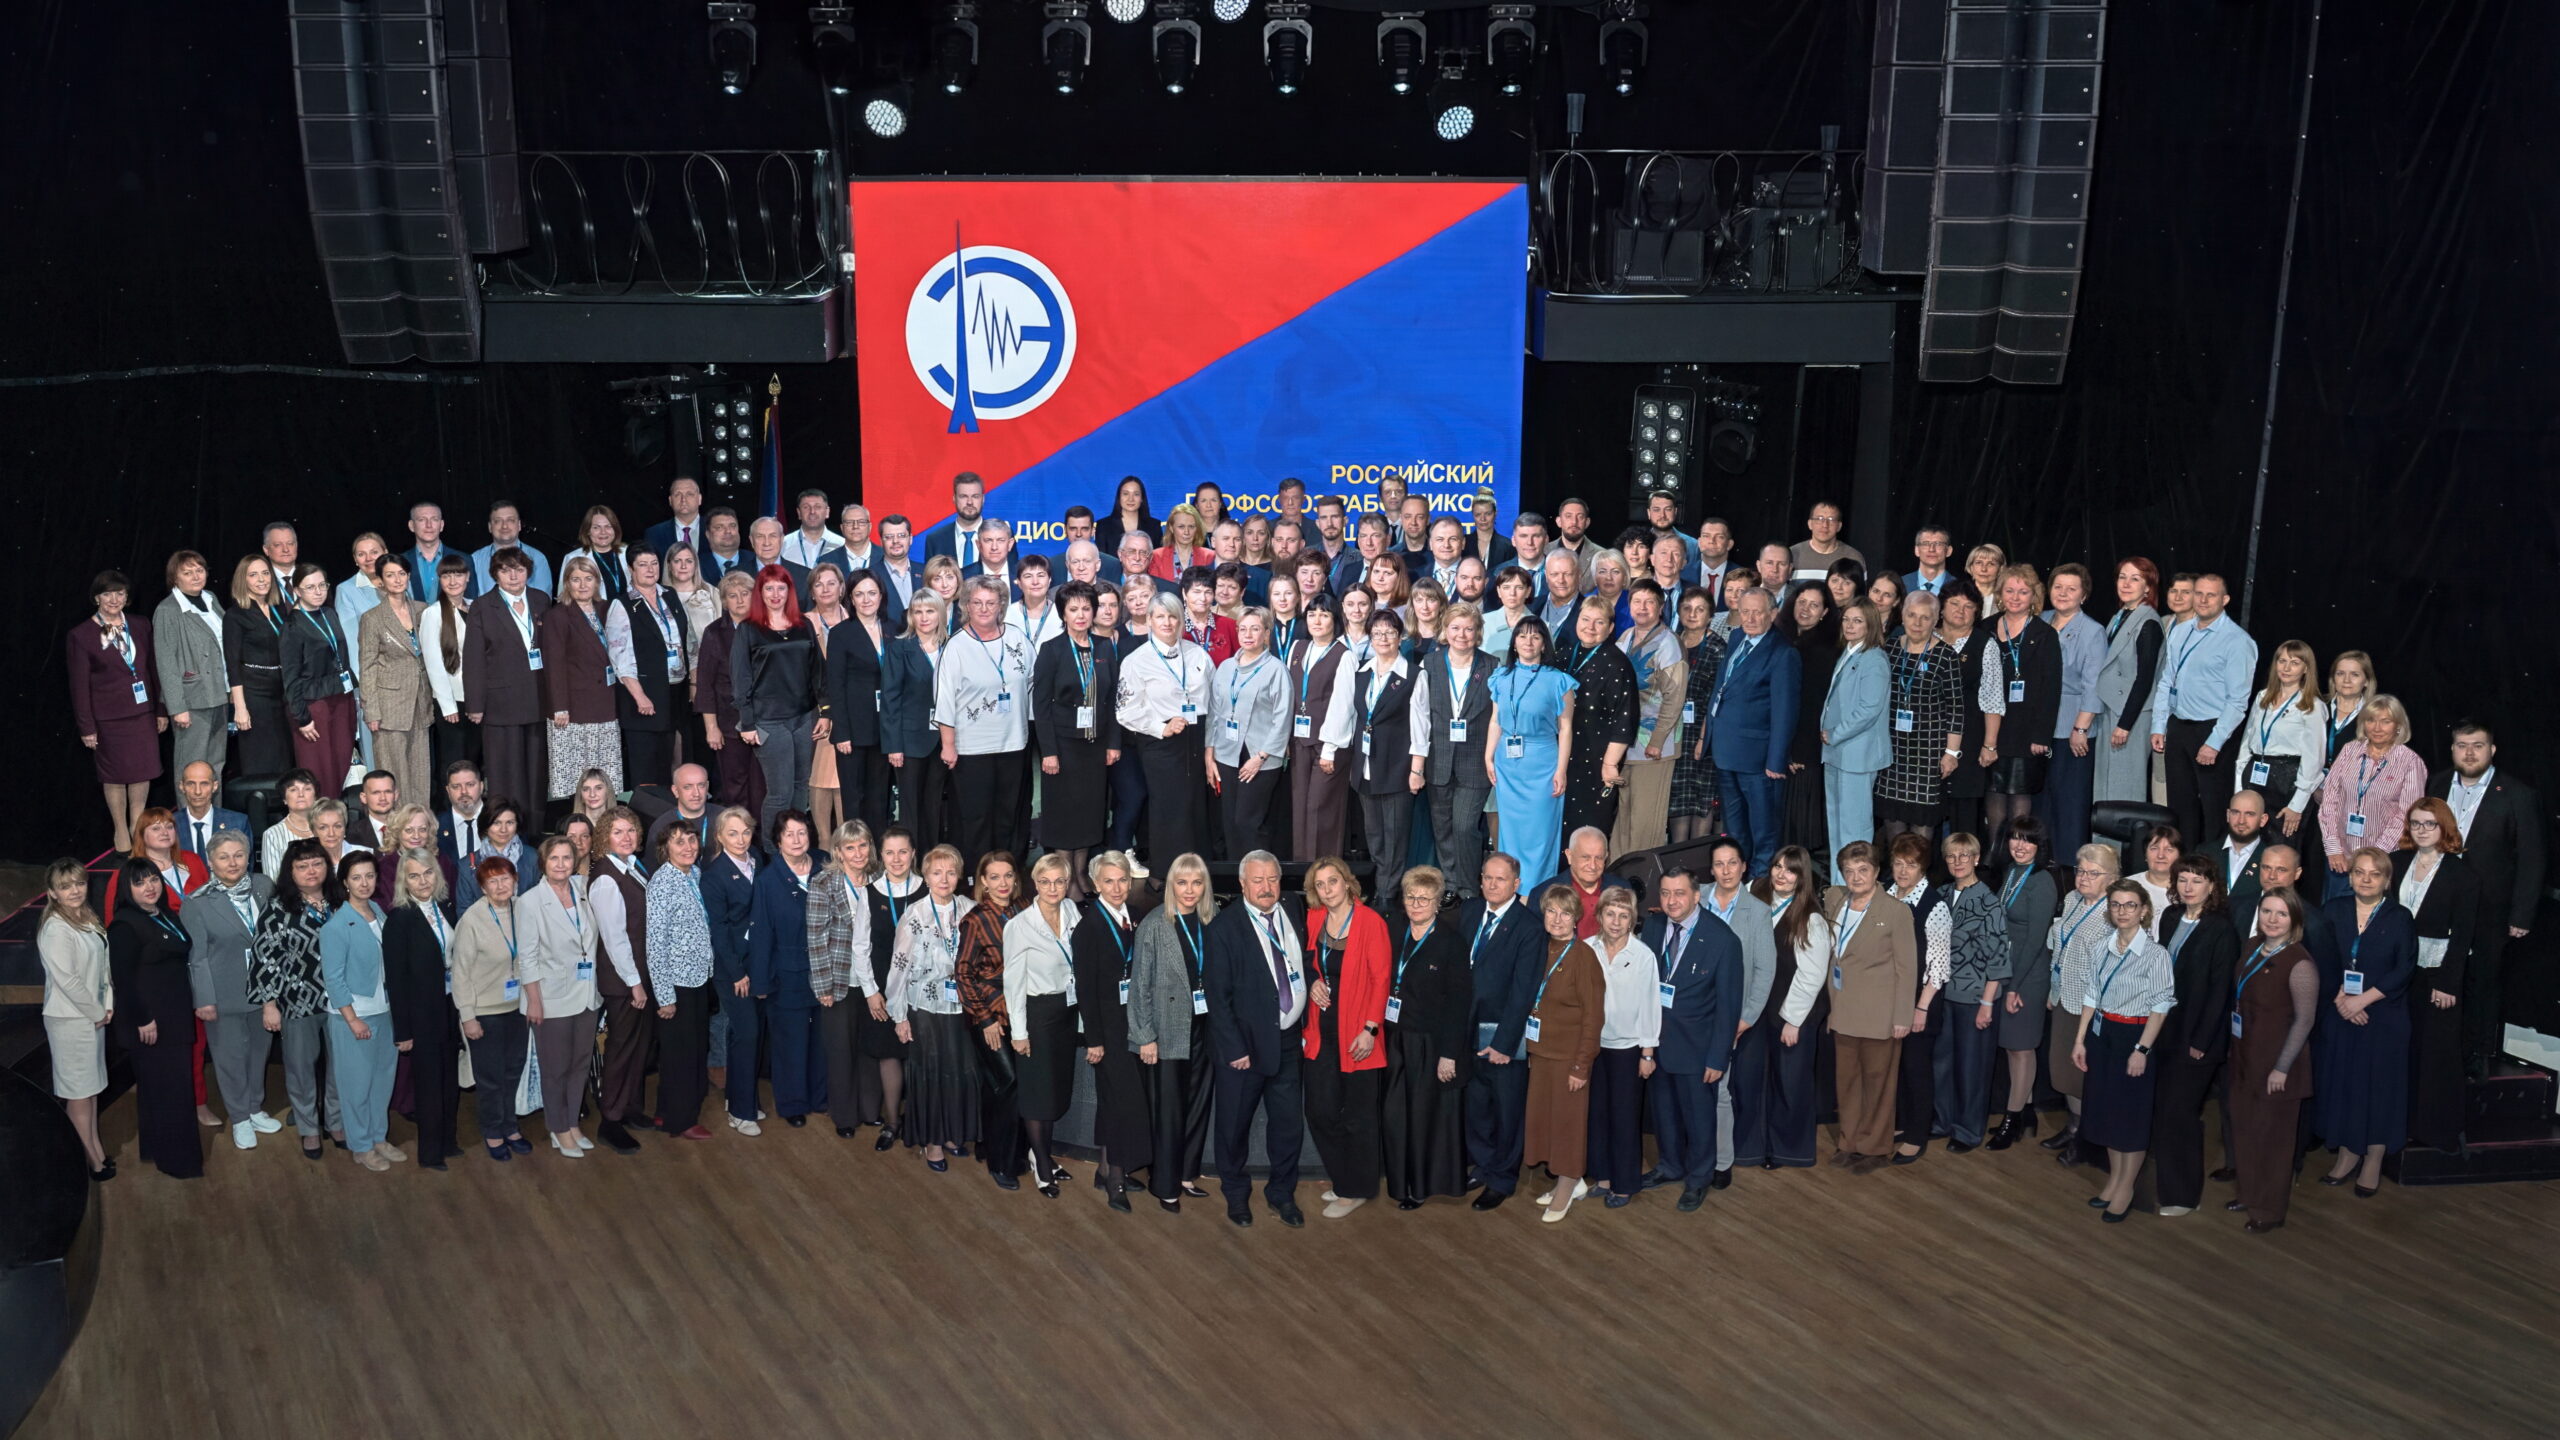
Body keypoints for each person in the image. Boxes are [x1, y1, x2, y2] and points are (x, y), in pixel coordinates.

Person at [1203, 850, 1311, 1228]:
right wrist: (1234, 1048)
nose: (1266, 887)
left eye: (1272, 879)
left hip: (1288, 1041)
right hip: (1244, 1049)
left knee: (1288, 1126)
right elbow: (1217, 997)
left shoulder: (1293, 908)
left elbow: (1300, 961)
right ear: (1242, 884)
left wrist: (1313, 985)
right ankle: (1236, 1193)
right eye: (1257, 880)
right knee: (1233, 1126)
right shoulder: (1223, 929)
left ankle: (1282, 1193)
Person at [2429, 720, 2542, 1076]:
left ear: (2492, 750)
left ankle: (2476, 1059)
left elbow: (2532, 859)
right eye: (2462, 745)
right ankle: (2438, 1055)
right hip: (2439, 902)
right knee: (2438, 977)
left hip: (2490, 908)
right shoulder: (2435, 784)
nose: (2469, 753)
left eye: (2477, 745)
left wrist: (2521, 915)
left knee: (2482, 982)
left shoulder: (2517, 794)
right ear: (2452, 749)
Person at [1638, 867, 1745, 1210]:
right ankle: (1670, 1166)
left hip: (1698, 1050)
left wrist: (1718, 1058)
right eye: (1665, 893)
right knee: (1664, 1113)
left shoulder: (1723, 940)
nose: (1671, 901)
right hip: (1657, 1043)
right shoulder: (1654, 927)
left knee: (1699, 1121)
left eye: (1679, 893)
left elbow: (1728, 1006)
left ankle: (1699, 1179)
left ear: (1697, 896)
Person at [2313, 847, 2417, 1195]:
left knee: (2379, 1088)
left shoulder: (2400, 917)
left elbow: (2404, 968)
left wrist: (2362, 999)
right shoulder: (2333, 909)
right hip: (2341, 1012)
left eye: (2375, 874)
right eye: (2359, 872)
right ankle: (2347, 1153)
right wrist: (2341, 998)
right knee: (2344, 1084)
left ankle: (2373, 1157)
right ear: (2350, 876)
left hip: (2384, 1016)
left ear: (2387, 880)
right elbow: (2320, 957)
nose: (2366, 880)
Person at [2074, 880, 2176, 1221]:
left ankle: (2127, 1187)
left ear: (2143, 910)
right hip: (2102, 1034)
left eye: (2130, 905)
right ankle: (2115, 1180)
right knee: (2106, 1112)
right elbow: (2091, 994)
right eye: (2116, 904)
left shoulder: (2156, 955)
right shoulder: (2102, 946)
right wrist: (2080, 1039)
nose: (2122, 911)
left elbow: (2160, 1006)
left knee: (2130, 1117)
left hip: (2134, 1036)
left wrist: (2142, 1050)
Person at [2149, 855, 2238, 1216]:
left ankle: (2184, 1195)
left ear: (2212, 886)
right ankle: (2163, 1184)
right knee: (2163, 1110)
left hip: (2198, 1038)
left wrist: (2201, 1041)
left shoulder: (2221, 930)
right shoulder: (2171, 916)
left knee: (2180, 1114)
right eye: (2183, 879)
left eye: (2197, 881)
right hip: (2165, 1030)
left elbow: (2220, 992)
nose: (2188, 887)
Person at [1129, 851, 1218, 1210]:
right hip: (1165, 1031)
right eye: (1182, 882)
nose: (1190, 890)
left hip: (1204, 1027)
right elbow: (1139, 986)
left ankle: (1185, 1174)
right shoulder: (1154, 924)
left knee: (1197, 1105)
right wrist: (1145, 1036)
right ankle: (1164, 1184)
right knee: (1169, 1112)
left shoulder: (1212, 919)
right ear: (1171, 886)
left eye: (1197, 882)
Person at [1378, 866, 1470, 1210]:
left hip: (1430, 1044)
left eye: (1424, 899)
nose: (1416, 904)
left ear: (1437, 902)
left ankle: (1419, 1187)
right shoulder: (1393, 930)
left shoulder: (1451, 942)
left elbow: (1459, 1003)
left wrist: (1449, 1054)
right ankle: (1398, 1182)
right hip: (1394, 1039)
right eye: (1411, 897)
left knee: (1421, 1118)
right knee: (1394, 1115)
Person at [2228, 890, 2320, 1234]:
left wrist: (2282, 1067)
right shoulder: (2253, 946)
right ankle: (2249, 1194)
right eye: (2267, 911)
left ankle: (2269, 1210)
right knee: (2245, 1130)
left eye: (2281, 913)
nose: (2272, 919)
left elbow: (2304, 1021)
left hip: (2278, 1063)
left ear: (2294, 919)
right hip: (2245, 1054)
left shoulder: (2300, 964)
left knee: (2273, 1140)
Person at [2146, 573, 2258, 848]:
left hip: (2212, 730)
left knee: (2214, 808)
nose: (2203, 600)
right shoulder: (2180, 631)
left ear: (2225, 599)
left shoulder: (2237, 641)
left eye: (2211, 595)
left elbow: (2237, 701)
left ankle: (2212, 866)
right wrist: (2159, 725)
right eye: (2199, 593)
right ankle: (2183, 865)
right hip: (2178, 726)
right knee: (2179, 806)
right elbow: (2167, 681)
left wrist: (2214, 742)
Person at [1323, 610, 1429, 900]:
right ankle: (1383, 887)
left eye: (1390, 632)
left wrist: (1417, 770)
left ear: (1400, 637)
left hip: (1398, 768)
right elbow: (1349, 715)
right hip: (1366, 767)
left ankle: (1387, 896)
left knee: (1395, 838)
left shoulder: (1413, 676)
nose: (1383, 638)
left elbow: (1421, 726)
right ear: (1370, 637)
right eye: (1377, 633)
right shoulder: (1361, 673)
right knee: (1374, 836)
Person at [107, 860, 203, 1179]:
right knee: (170, 1091)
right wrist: (143, 1019)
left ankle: (155, 1150)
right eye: (139, 882)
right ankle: (178, 1163)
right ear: (127, 889)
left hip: (174, 1014)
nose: (149, 887)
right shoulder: (124, 925)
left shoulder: (163, 913)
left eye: (153, 879)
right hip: (151, 1022)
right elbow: (123, 979)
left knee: (159, 1089)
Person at [885, 843, 978, 1172]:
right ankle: (933, 1141)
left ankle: (952, 1133)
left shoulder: (970, 909)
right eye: (937, 872)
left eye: (951, 872)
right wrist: (899, 1016)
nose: (944, 879)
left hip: (962, 1007)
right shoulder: (915, 914)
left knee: (959, 1072)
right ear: (925, 876)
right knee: (932, 1074)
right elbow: (899, 966)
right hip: (924, 1007)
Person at [1824, 841, 1916, 1174]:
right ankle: (1849, 1142)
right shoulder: (1834, 899)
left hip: (1881, 1016)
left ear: (1877, 872)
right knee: (1847, 1084)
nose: (1856, 877)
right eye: (1849, 871)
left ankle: (1875, 1148)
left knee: (1878, 1086)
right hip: (1843, 1011)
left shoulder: (1895, 911)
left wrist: (1903, 1017)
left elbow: (1907, 969)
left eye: (1863, 870)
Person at [1067, 851, 1150, 1210]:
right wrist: (1095, 1040)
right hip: (1107, 1031)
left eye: (1123, 880)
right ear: (1096, 884)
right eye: (1109, 881)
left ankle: (1105, 1169)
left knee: (1114, 1101)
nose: (1117, 888)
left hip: (1133, 1023)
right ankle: (1115, 1177)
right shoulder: (1088, 928)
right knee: (1120, 1103)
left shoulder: (1136, 916)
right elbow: (1085, 989)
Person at [1521, 882, 1607, 1223]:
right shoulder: (1538, 948)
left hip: (1569, 1058)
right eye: (1551, 911)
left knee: (1568, 1126)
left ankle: (1569, 1183)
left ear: (1576, 918)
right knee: (1547, 1123)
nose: (1557, 919)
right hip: (1541, 1053)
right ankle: (1568, 1181)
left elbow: (1593, 1017)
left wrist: (1581, 1065)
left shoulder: (1584, 957)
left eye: (1565, 913)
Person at [936, 579, 1034, 874]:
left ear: (1001, 605)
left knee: (1008, 814)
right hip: (971, 748)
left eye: (990, 603)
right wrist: (948, 745)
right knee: (976, 817)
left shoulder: (1016, 638)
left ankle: (1006, 874)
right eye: (977, 603)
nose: (983, 609)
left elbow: (1033, 681)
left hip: (1013, 743)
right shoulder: (956, 646)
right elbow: (944, 699)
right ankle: (977, 877)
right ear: (966, 606)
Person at [252, 840, 342, 1159]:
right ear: (290, 872)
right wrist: (269, 1004)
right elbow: (265, 958)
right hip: (296, 1001)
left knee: (340, 1067)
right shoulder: (278, 908)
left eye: (316, 863)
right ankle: (309, 1129)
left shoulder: (341, 900)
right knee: (301, 1070)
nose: (311, 871)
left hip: (341, 1001)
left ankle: (335, 1121)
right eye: (302, 866)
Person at [317, 852, 403, 1171]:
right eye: (356, 877)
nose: (364, 883)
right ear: (345, 882)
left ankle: (379, 1137)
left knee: (382, 1081)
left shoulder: (378, 912)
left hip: (385, 1009)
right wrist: (352, 1019)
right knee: (356, 1086)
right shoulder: (336, 925)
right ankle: (361, 1145)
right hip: (353, 1016)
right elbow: (333, 978)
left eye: (369, 876)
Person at [188, 832, 276, 1147]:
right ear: (211, 862)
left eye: (239, 855)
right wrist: (204, 1000)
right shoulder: (197, 902)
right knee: (230, 1060)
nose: (232, 862)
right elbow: (197, 958)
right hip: (223, 995)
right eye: (224, 857)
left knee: (258, 1054)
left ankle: (254, 1108)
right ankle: (239, 1118)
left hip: (264, 992)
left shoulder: (264, 886)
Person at [1000, 852, 1080, 1196]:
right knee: (1037, 1093)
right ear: (1034, 884)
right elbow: (1013, 984)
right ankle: (1042, 1164)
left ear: (1068, 883)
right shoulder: (1019, 926)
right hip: (1037, 1015)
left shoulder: (1072, 911)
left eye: (1059, 881)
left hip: (1066, 1012)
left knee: (1055, 1088)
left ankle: (1041, 1153)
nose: (1053, 888)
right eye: (1045, 882)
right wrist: (1019, 1033)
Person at [1923, 833, 2007, 1154]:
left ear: (1976, 858)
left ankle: (1968, 1130)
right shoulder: (1942, 894)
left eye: (1964, 856)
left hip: (1974, 998)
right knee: (1942, 1063)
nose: (1957, 862)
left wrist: (1987, 1003)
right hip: (1943, 994)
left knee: (1971, 1068)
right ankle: (1943, 1120)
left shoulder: (1989, 902)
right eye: (1951, 856)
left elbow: (1998, 959)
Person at [733, 564, 831, 837]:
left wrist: (825, 712)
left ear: (790, 591)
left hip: (804, 717)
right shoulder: (748, 629)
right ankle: (772, 850)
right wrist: (747, 723)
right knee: (780, 793)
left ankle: (795, 843)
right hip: (768, 721)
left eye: (781, 588)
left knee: (801, 787)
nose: (776, 594)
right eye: (769, 588)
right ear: (760, 593)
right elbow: (741, 678)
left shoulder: (804, 625)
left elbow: (818, 672)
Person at [516, 835, 598, 1157]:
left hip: (587, 993)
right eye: (554, 858)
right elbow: (527, 957)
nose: (561, 864)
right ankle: (558, 1128)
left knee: (580, 1064)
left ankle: (572, 1122)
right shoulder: (530, 901)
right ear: (543, 863)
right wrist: (534, 1000)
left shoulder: (584, 889)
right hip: (550, 998)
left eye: (567, 858)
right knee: (556, 1068)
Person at [1119, 593, 1214, 870]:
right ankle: (1166, 873)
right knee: (1170, 809)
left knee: (1196, 807)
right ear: (1149, 620)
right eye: (1160, 616)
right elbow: (1125, 711)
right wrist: (1161, 727)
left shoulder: (1198, 654)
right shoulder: (1136, 661)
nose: (1167, 622)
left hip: (1197, 740)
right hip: (1161, 744)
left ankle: (1200, 872)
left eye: (1173, 616)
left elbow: (1214, 700)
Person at [381, 850, 462, 1169]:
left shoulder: (445, 908)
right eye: (414, 876)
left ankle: (449, 1141)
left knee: (449, 1080)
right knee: (429, 1086)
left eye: (428, 873)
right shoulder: (399, 919)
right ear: (404, 880)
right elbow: (396, 980)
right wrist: (403, 1031)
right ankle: (430, 1154)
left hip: (450, 1006)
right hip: (421, 1015)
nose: (423, 881)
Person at [1710, 589, 1799, 875]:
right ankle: (1737, 883)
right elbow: (1721, 689)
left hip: (1759, 760)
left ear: (1773, 614)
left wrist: (1776, 760)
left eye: (1757, 612)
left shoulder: (1783, 653)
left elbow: (1785, 711)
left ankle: (1760, 886)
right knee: (1735, 830)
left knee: (1764, 832)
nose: (1749, 618)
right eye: (1744, 611)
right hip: (1725, 752)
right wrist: (1706, 737)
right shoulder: (1737, 637)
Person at [956, 850, 1030, 1190]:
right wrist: (985, 1020)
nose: (1003, 883)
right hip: (989, 1014)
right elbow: (963, 974)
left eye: (1008, 875)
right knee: (1010, 1083)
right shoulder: (975, 920)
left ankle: (987, 1145)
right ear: (983, 882)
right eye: (995, 877)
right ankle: (1002, 1162)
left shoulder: (1024, 908)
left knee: (997, 1086)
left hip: (1022, 1011)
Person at [2041, 844, 2120, 1158]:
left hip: (2090, 1006)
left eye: (2093, 873)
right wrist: (2052, 991)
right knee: (2063, 1071)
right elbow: (2059, 947)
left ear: (2111, 878)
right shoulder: (2073, 899)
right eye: (2081, 870)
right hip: (2064, 997)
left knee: (2083, 1075)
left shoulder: (2113, 914)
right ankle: (2073, 1126)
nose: (2084, 877)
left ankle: (2088, 1137)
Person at [39, 859, 116, 1179]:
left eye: (79, 883)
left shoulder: (86, 917)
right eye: (65, 886)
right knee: (79, 1094)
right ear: (52, 892)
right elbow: (67, 981)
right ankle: (90, 1161)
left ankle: (96, 1149)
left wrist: (106, 1005)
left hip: (90, 1017)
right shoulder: (56, 927)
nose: (74, 891)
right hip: (70, 1021)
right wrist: (97, 1012)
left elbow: (102, 967)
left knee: (90, 1091)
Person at [461, 547, 552, 820]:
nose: (513, 576)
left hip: (538, 699)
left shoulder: (541, 599)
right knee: (506, 772)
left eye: (519, 570)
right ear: (495, 574)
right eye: (505, 570)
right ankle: (505, 826)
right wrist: (475, 704)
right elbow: (473, 658)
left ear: (528, 572)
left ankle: (535, 828)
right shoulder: (482, 606)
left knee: (536, 772)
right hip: (500, 704)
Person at [585, 807, 656, 1152]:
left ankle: (630, 1108)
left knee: (639, 1047)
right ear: (604, 838)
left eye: (630, 830)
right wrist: (634, 983)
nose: (626, 837)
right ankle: (610, 1120)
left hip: (641, 974)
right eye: (617, 832)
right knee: (620, 1049)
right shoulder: (605, 878)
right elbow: (614, 938)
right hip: (623, 980)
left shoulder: (633, 867)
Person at [1487, 617, 1577, 888]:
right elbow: (1495, 721)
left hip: (1543, 763)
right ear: (1514, 642)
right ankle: (1511, 889)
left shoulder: (1559, 681)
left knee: (1541, 833)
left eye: (1535, 637)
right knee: (1511, 832)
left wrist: (1561, 770)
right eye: (1522, 636)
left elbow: (1566, 728)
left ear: (1544, 644)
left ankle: (1537, 892)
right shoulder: (1500, 678)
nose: (1528, 642)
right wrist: (1488, 756)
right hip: (1507, 765)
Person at [1976, 566, 2061, 852]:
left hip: (2026, 730)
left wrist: (2042, 735)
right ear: (2000, 594)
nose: (2015, 597)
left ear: (2034, 595)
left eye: (2023, 592)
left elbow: (2051, 689)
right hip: (1991, 727)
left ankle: (2017, 857)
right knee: (1993, 792)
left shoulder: (2044, 634)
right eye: (2009, 590)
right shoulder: (1985, 628)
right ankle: (1993, 857)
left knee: (2019, 797)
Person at [749, 811, 825, 1129]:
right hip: (786, 975)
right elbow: (761, 934)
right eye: (789, 834)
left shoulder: (825, 866)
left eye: (801, 833)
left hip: (823, 972)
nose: (796, 840)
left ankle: (820, 1097)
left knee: (821, 1041)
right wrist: (761, 981)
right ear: (777, 840)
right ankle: (793, 1103)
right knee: (790, 1043)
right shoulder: (768, 880)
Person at [645, 823, 718, 1141]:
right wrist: (665, 996)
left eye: (691, 839)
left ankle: (665, 1112)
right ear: (665, 848)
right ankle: (682, 1120)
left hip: (699, 977)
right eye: (679, 842)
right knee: (682, 1055)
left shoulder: (695, 874)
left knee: (689, 1049)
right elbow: (655, 943)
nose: (688, 846)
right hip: (677, 984)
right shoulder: (662, 883)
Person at [1989, 820, 2059, 1149]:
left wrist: (2015, 985)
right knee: (2012, 1046)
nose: (2020, 845)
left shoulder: (2042, 881)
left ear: (2039, 846)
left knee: (2021, 1048)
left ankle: (2011, 1120)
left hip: (2027, 976)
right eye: (2015, 838)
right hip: (2010, 969)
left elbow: (2034, 941)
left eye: (2028, 840)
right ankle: (2026, 1110)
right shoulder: (2012, 872)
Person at [2316, 695, 2427, 901]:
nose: (2377, 728)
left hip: (2382, 863)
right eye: (2371, 720)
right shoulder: (2349, 751)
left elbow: (2407, 815)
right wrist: (2333, 848)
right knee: (2335, 916)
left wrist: (2374, 857)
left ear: (2398, 726)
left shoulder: (2410, 762)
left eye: (2386, 721)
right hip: (2340, 859)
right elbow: (2329, 801)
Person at [1419, 603, 1496, 894]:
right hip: (1438, 759)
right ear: (1445, 630)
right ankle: (1451, 884)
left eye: (1468, 629)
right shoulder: (1429, 664)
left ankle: (1468, 888)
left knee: (1464, 827)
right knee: (1442, 828)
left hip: (1475, 761)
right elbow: (1420, 714)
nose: (1461, 635)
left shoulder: (1492, 667)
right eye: (1455, 628)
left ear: (1478, 633)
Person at [852, 827, 921, 1144]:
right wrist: (870, 991)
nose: (896, 859)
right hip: (882, 983)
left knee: (919, 1055)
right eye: (890, 852)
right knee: (888, 1053)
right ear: (881, 856)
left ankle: (922, 1123)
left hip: (920, 983)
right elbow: (860, 947)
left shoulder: (927, 888)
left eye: (903, 851)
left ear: (913, 854)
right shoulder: (870, 893)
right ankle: (892, 1123)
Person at [348, 553, 434, 806]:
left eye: (401, 574)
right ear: (381, 581)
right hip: (389, 706)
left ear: (408, 576)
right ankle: (397, 824)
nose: (397, 580)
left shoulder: (422, 610)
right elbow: (367, 666)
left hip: (420, 701)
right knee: (394, 773)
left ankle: (420, 823)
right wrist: (371, 710)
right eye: (390, 575)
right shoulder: (373, 618)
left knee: (420, 771)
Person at [1207, 607, 1291, 860]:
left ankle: (1260, 876)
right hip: (1226, 754)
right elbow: (1214, 713)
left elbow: (1283, 718)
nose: (1248, 634)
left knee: (1248, 822)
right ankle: (1237, 877)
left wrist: (1261, 757)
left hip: (1260, 758)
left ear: (1266, 633)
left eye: (1255, 629)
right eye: (1243, 629)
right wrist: (1210, 755)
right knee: (1230, 822)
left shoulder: (1276, 670)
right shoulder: (1225, 668)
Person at [2229, 640, 2327, 854]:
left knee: (2280, 847)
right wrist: (2239, 789)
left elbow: (2314, 759)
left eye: (2294, 663)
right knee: (2248, 844)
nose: (2286, 667)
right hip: (2255, 773)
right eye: (2282, 661)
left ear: (2306, 669)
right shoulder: (2262, 697)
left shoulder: (2312, 706)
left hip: (2287, 781)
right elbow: (2246, 744)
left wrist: (2297, 804)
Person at [1557, 597, 1638, 855]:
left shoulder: (1617, 663)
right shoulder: (1564, 655)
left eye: (1599, 622)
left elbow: (1625, 719)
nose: (1590, 627)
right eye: (1585, 619)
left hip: (1596, 761)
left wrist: (1610, 764)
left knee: (1590, 826)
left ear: (1611, 628)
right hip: (1561, 757)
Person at [702, 808, 765, 1134]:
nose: (740, 840)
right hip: (732, 969)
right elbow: (719, 930)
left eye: (745, 832)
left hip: (759, 962)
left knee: (746, 1033)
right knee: (747, 1033)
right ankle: (741, 1112)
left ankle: (741, 1098)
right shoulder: (714, 875)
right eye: (732, 833)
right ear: (719, 837)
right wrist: (738, 972)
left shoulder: (757, 860)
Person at [1612, 582, 1687, 854]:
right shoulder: (1625, 637)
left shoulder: (1669, 643)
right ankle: (1618, 874)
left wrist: (1657, 740)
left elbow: (1675, 698)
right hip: (1626, 744)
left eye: (1649, 602)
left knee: (1646, 824)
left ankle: (1644, 878)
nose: (1642, 608)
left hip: (1654, 746)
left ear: (1661, 607)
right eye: (1637, 602)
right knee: (1623, 820)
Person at [2038, 564, 2107, 855]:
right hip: (2039, 725)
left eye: (2071, 589)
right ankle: (2041, 859)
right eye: (2058, 587)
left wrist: (2080, 728)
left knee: (2069, 800)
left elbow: (2094, 685)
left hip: (2073, 728)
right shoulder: (2040, 620)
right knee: (2042, 799)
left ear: (2084, 595)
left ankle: (2069, 863)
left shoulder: (2093, 631)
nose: (2063, 593)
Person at [615, 548, 693, 792]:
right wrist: (640, 696)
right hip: (643, 699)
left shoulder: (669, 595)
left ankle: (666, 813)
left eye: (654, 563)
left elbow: (685, 639)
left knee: (667, 768)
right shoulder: (622, 604)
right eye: (643, 564)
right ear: (631, 569)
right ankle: (644, 814)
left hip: (673, 694)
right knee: (646, 772)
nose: (650, 569)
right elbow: (620, 657)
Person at [880, 592, 952, 852]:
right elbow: (890, 699)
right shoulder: (899, 648)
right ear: (911, 616)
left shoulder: (952, 646)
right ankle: (910, 864)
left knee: (934, 805)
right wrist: (894, 746)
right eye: (918, 612)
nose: (924, 617)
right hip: (909, 742)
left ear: (940, 614)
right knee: (911, 808)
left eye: (930, 611)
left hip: (943, 740)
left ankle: (931, 860)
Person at [276, 564, 359, 787]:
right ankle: (322, 809)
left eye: (322, 585)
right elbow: (290, 678)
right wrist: (302, 718)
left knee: (341, 763)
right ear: (297, 591)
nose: (318, 591)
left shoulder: (329, 613)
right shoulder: (292, 626)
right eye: (310, 587)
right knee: (320, 769)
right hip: (314, 704)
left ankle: (336, 807)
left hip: (341, 697)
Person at [1288, 598, 1357, 861]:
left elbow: (1343, 705)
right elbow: (1290, 696)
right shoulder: (1298, 648)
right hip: (1299, 742)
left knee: (1320, 809)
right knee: (1300, 811)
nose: (1316, 620)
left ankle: (1323, 872)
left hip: (1328, 746)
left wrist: (1329, 749)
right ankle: (1302, 872)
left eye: (1324, 615)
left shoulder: (1344, 655)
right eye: (1312, 614)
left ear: (1335, 620)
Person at [1819, 600, 1889, 858]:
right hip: (1836, 752)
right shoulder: (1848, 651)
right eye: (1846, 619)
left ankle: (1857, 880)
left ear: (1870, 624)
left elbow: (1869, 710)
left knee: (1854, 829)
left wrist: (1834, 734)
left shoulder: (1874, 659)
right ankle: (1839, 881)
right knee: (1836, 827)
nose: (1849, 625)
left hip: (1857, 755)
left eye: (1857, 621)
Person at [824, 571, 892, 836]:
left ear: (881, 595)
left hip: (885, 729)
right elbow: (835, 685)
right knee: (854, 798)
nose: (866, 600)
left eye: (872, 593)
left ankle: (878, 851)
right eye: (859, 594)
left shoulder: (894, 629)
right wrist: (841, 732)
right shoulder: (841, 633)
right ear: (850, 598)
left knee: (880, 798)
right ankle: (855, 851)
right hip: (852, 731)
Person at [2093, 559, 2165, 806]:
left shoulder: (2148, 623)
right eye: (2122, 577)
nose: (2126, 583)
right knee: (2106, 787)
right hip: (2111, 711)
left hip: (2130, 717)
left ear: (2148, 587)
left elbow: (2145, 678)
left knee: (2124, 789)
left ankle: (2124, 834)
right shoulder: (2120, 616)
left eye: (2135, 579)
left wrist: (2125, 724)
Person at [155, 551, 231, 781]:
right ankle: (188, 807)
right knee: (191, 767)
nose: (196, 576)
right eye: (188, 573)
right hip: (192, 701)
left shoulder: (210, 598)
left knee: (215, 765)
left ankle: (214, 806)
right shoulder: (167, 610)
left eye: (199, 570)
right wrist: (177, 708)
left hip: (220, 694)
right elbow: (166, 663)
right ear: (174, 578)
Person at [693, 571, 764, 814]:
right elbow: (705, 684)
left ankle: (763, 835)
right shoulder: (714, 632)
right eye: (732, 596)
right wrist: (711, 727)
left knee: (763, 786)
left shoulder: (766, 628)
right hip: (729, 724)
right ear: (724, 601)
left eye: (745, 594)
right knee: (735, 787)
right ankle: (739, 833)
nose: (740, 600)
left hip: (766, 721)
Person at [225, 556, 295, 779]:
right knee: (261, 758)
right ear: (243, 580)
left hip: (282, 692)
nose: (262, 579)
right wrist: (240, 708)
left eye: (265, 573)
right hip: (254, 694)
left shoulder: (279, 608)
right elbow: (232, 664)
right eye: (253, 575)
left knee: (284, 757)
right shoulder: (235, 615)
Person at [1666, 587, 1728, 844]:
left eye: (1700, 609)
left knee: (1701, 797)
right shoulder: (1671, 642)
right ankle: (1677, 854)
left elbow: (1718, 699)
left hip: (1703, 734)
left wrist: (1704, 737)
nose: (1692, 614)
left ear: (1711, 615)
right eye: (1687, 608)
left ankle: (1697, 856)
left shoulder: (1717, 648)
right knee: (1678, 797)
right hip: (1673, 732)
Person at [801, 566, 855, 841]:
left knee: (845, 778)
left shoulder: (856, 620)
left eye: (831, 583)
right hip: (815, 711)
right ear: (811, 591)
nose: (825, 589)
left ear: (842, 588)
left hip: (851, 712)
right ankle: (823, 843)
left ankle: (846, 843)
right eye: (818, 584)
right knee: (819, 776)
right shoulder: (802, 623)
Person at [417, 555, 480, 782]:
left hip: (478, 700)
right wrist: (447, 706)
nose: (453, 581)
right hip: (453, 702)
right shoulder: (432, 613)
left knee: (476, 760)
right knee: (455, 763)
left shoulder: (477, 607)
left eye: (458, 574)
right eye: (446, 575)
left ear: (468, 577)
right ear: (439, 579)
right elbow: (433, 663)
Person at [451, 799, 536, 912]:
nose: (503, 829)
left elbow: (540, 903)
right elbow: (464, 911)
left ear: (517, 825)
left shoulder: (533, 857)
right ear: (486, 826)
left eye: (510, 823)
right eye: (496, 823)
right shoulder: (467, 865)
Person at [472, 501, 553, 595]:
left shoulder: (537, 558)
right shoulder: (475, 560)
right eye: (498, 521)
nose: (504, 526)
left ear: (519, 525)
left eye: (510, 520)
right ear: (490, 527)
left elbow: (542, 599)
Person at [640, 475, 708, 561]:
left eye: (689, 494)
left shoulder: (713, 529)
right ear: (670, 500)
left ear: (699, 499)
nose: (683, 499)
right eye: (677, 495)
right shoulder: (654, 534)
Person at [1096, 476, 1158, 556]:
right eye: (1125, 494)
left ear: (1142, 498)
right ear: (1119, 497)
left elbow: (1157, 559)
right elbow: (1102, 559)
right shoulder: (1103, 526)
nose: (1130, 499)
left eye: (1136, 494)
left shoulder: (1154, 526)